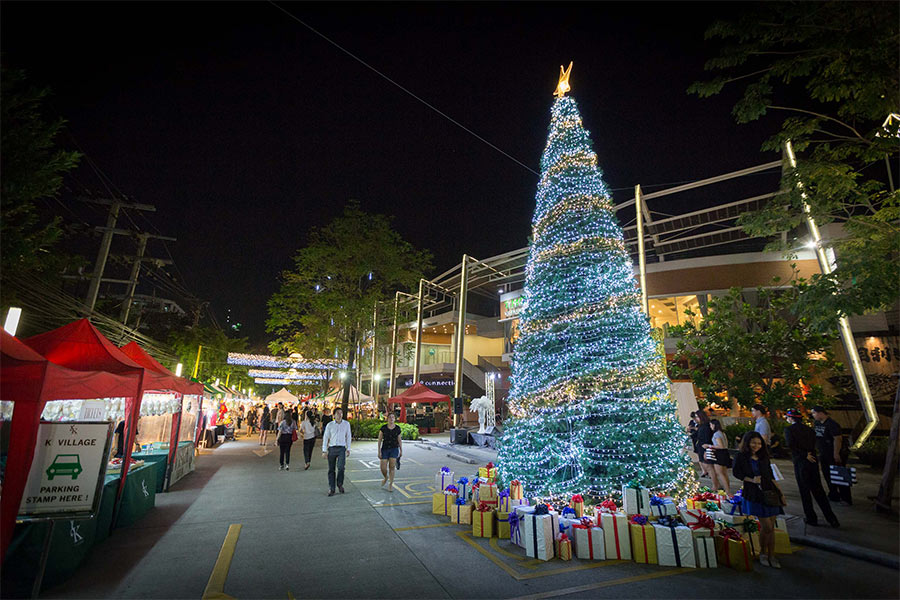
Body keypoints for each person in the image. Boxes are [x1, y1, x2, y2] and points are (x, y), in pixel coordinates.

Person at [733, 431, 784, 568]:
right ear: (748, 442)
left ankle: (771, 555)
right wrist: (751, 480)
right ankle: (763, 553)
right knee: (766, 526)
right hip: (754, 493)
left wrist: (780, 493)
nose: (757, 445)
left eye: (759, 443)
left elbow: (771, 475)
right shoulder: (741, 457)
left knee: (771, 527)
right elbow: (737, 473)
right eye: (754, 442)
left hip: (770, 493)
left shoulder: (763, 457)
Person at [784, 409, 840, 527]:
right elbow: (814, 443)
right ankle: (832, 518)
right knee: (818, 490)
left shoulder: (789, 430)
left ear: (791, 418)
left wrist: (804, 455)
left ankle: (811, 517)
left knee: (805, 491)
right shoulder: (810, 430)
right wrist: (809, 454)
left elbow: (790, 445)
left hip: (801, 461)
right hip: (813, 460)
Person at [811, 406, 851, 505]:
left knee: (839, 474)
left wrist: (836, 453)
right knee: (827, 474)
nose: (813, 415)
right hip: (823, 453)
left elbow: (837, 439)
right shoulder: (817, 423)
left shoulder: (832, 424)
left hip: (833, 453)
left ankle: (846, 498)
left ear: (821, 413)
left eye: (814, 413)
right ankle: (834, 494)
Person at [322, 407, 351, 496]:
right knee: (331, 469)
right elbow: (326, 437)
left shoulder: (346, 424)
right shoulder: (330, 425)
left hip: (341, 448)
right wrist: (324, 450)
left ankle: (340, 483)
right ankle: (332, 488)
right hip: (332, 448)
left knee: (341, 467)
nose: (339, 414)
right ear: (334, 415)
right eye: (337, 413)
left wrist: (348, 448)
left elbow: (348, 436)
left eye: (341, 413)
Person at [702, 419, 732, 495]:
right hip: (724, 453)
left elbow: (720, 446)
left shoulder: (716, 434)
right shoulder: (722, 433)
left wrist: (709, 446)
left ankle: (727, 491)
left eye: (711, 425)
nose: (710, 427)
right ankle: (727, 489)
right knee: (724, 473)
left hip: (719, 454)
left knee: (720, 473)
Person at [377, 412, 403, 492]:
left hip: (394, 449)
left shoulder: (397, 428)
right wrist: (379, 451)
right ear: (387, 419)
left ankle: (390, 484)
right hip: (385, 449)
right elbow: (380, 439)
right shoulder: (383, 428)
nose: (391, 419)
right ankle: (385, 477)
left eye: (393, 417)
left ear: (394, 419)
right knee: (383, 468)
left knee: (392, 467)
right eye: (390, 417)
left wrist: (401, 450)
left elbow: (399, 439)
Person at [695, 409, 714, 479]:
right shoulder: (701, 425)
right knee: (706, 465)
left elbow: (707, 439)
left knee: (709, 467)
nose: (696, 419)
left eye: (697, 417)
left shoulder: (706, 426)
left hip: (705, 447)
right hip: (700, 446)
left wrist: (706, 450)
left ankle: (716, 484)